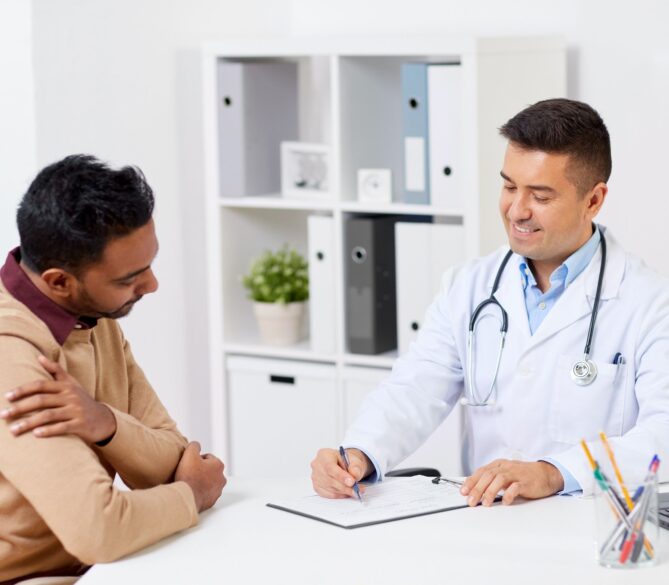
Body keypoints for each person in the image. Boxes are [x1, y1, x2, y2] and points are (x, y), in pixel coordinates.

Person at [311, 98, 669, 506]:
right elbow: (415, 388)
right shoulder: (469, 286)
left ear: (593, 200)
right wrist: (359, 453)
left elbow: (663, 434)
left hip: (590, 525)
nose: (516, 210)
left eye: (541, 195)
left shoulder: (651, 303)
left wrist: (554, 473)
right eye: (509, 186)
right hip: (487, 520)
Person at [0, 155, 226, 584]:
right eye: (129, 279)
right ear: (59, 281)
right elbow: (100, 530)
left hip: (98, 568)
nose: (153, 286)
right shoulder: (10, 358)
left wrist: (104, 423)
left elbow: (171, 460)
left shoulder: (92, 318)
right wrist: (193, 494)